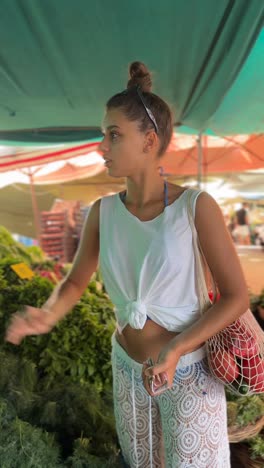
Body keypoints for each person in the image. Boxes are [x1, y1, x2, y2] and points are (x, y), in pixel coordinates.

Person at [6, 62, 249, 468]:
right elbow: (73, 283)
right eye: (104, 134)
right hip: (128, 369)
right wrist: (46, 316)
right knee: (141, 463)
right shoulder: (102, 212)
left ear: (149, 141)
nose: (101, 146)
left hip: (188, 372)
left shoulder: (196, 208)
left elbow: (236, 297)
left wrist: (175, 350)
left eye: (113, 135)